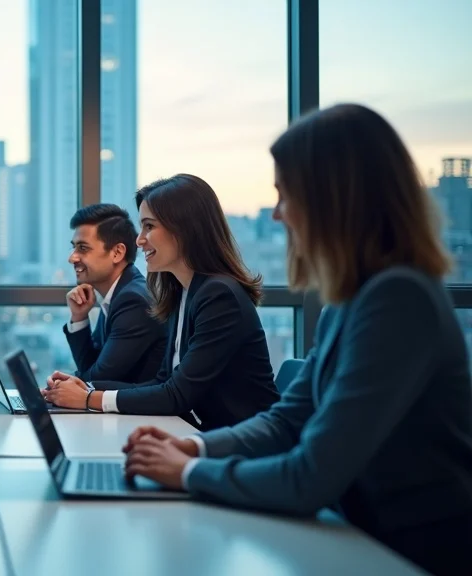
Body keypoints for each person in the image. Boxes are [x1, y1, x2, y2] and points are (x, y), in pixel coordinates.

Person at [124, 104, 472, 576]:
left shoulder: (399, 299)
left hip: (405, 552)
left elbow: (311, 475)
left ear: (335, 199)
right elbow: (287, 421)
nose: (277, 213)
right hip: (353, 537)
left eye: (286, 195)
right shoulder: (350, 301)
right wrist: (198, 449)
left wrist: (187, 473)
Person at [43, 174, 280, 430]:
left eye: (149, 226)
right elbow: (163, 381)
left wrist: (90, 398)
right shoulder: (183, 292)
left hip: (243, 443)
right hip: (201, 432)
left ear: (184, 229)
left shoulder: (219, 296)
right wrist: (86, 389)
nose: (139, 239)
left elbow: (176, 395)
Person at [62, 203, 165, 383]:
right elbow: (90, 367)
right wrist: (79, 317)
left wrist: (72, 383)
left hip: (144, 411)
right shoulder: (117, 293)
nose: (72, 258)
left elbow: (97, 380)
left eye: (83, 248)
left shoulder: (133, 300)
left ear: (117, 253)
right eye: (74, 247)